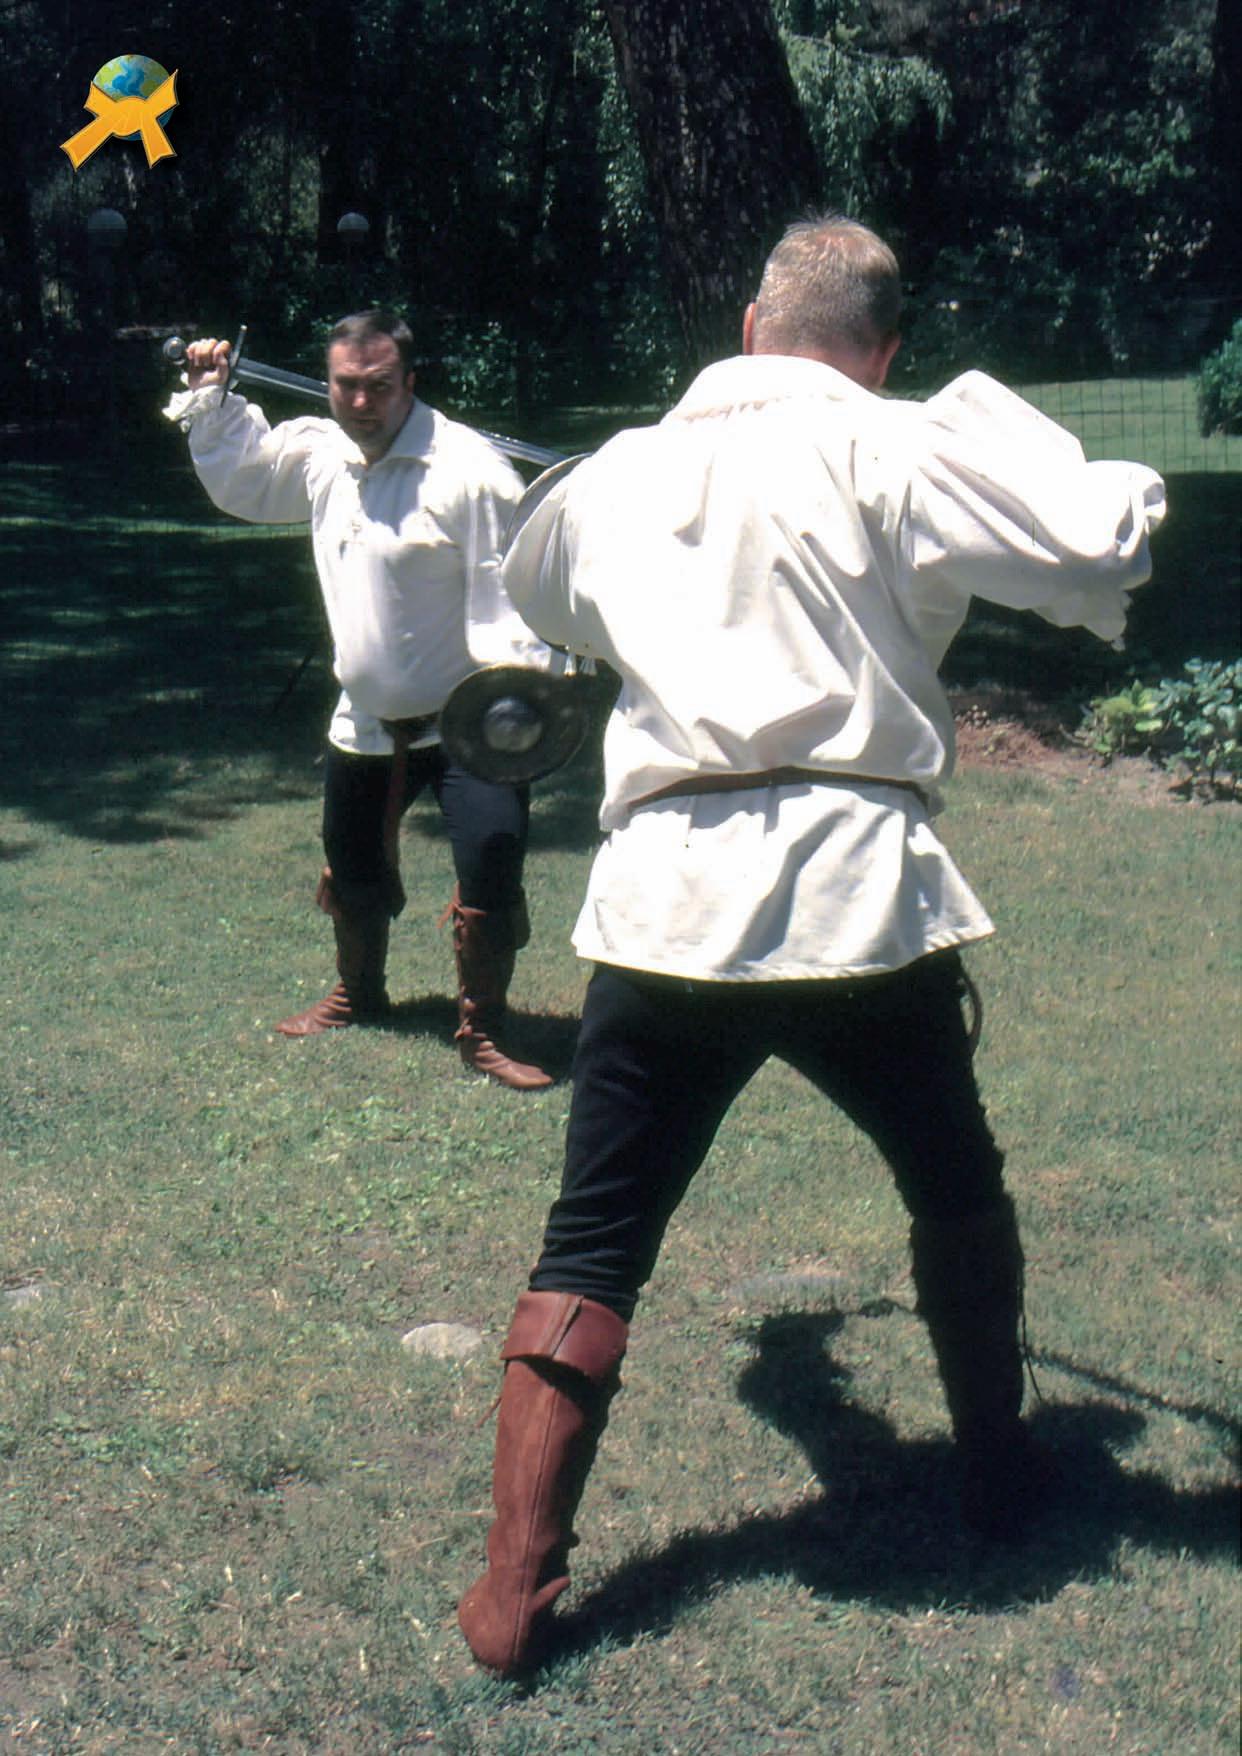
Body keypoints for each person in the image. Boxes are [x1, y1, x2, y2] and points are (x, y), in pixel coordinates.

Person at [455, 216, 1167, 1673]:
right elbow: (1100, 543)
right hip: (856, 902)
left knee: (594, 1239)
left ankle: (512, 1591)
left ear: (748, 326)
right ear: (882, 351)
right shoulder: (896, 445)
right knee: (953, 1184)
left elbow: (540, 589)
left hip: (670, 908)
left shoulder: (619, 472)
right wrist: (1007, 437)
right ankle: (995, 1467)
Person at [164, 310, 554, 1089]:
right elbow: (244, 481)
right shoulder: (323, 456)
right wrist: (213, 395)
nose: (361, 402)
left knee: (491, 857)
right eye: (347, 385)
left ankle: (483, 1028)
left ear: (410, 381)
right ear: (330, 382)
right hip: (367, 721)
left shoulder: (470, 473)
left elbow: (510, 602)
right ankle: (358, 993)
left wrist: (517, 710)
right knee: (351, 863)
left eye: (379, 386)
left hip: (467, 724)